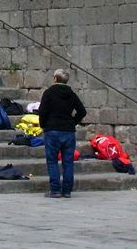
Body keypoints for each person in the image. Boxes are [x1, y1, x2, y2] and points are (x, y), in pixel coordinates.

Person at [37, 68, 87, 198]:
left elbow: (42, 112)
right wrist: (72, 122)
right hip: (68, 131)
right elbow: (82, 111)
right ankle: (67, 191)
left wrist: (44, 125)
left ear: (55, 79)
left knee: (52, 160)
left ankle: (55, 190)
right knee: (68, 162)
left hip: (52, 130)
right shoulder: (71, 94)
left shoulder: (48, 93)